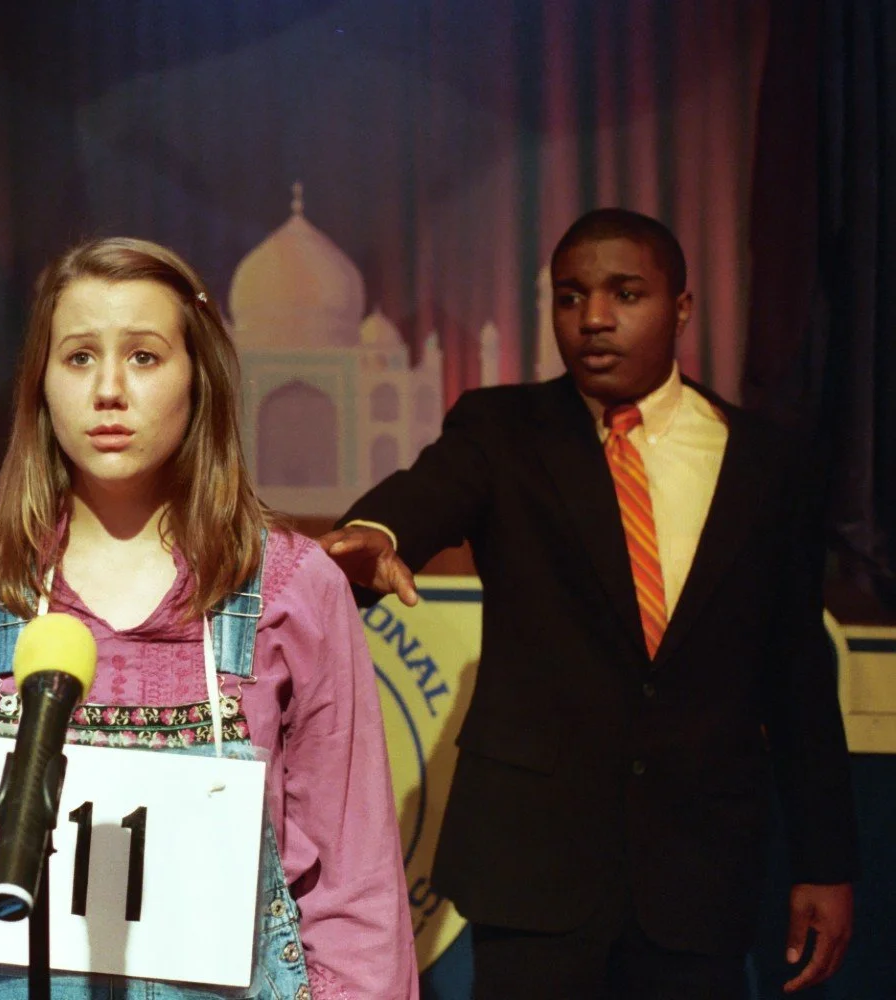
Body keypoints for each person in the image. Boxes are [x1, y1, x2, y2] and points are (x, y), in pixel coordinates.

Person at [320, 208, 858, 999]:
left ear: (680, 307)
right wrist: (374, 530)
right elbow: (427, 494)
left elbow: (799, 676)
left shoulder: (767, 464)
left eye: (625, 293)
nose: (593, 318)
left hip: (698, 878)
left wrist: (825, 861)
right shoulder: (503, 429)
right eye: (569, 297)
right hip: (535, 873)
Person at [0, 237, 417, 999]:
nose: (109, 390)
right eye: (80, 357)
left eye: (146, 357)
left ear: (201, 380)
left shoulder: (293, 589)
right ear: (41, 384)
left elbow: (357, 891)